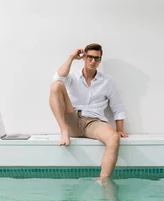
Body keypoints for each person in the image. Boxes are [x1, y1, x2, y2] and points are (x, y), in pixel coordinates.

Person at [49, 43, 127, 179]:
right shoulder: (72, 77)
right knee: (56, 86)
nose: (93, 61)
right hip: (72, 118)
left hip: (93, 122)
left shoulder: (107, 81)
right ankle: (64, 131)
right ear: (84, 58)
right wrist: (72, 57)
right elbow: (58, 77)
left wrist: (119, 129)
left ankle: (103, 181)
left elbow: (117, 107)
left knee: (113, 138)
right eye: (90, 57)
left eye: (96, 58)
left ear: (100, 60)